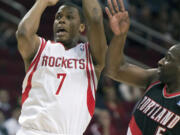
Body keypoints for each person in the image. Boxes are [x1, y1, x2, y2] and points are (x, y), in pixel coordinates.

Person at [16, 0, 107, 134]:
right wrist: (44, 2)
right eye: (58, 17)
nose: (62, 20)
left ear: (81, 27)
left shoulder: (91, 56)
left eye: (69, 17)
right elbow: (23, 33)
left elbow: (94, 19)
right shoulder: (41, 49)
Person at [104, 0, 180, 134]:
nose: (160, 62)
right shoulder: (155, 78)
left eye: (168, 59)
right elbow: (115, 70)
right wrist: (120, 36)